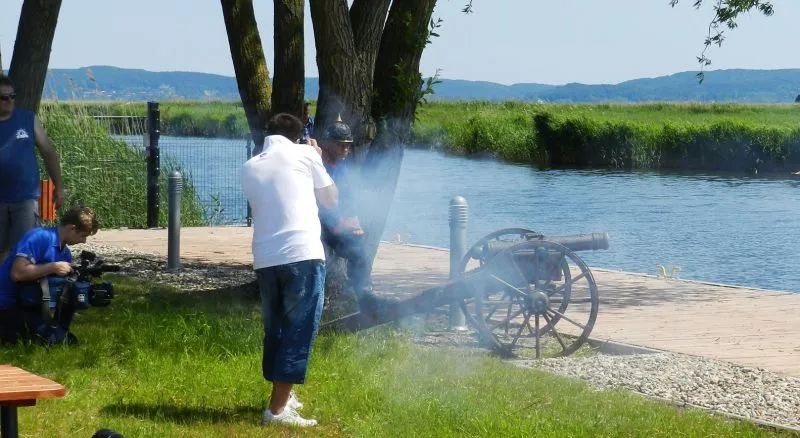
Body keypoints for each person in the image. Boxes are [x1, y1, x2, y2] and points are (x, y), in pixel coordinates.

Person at [241, 113, 338, 427]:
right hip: (302, 253)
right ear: (298, 136)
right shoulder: (305, 154)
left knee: (277, 329)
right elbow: (331, 200)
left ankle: (284, 396)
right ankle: (277, 412)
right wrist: (317, 157)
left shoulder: (249, 166)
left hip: (265, 257)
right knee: (299, 329)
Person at [318, 117, 395, 314]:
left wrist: (353, 220)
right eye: (340, 145)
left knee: (358, 250)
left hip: (334, 223)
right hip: (316, 223)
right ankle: (323, 300)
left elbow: (348, 197)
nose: (345, 149)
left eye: (348, 145)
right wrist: (336, 222)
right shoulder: (317, 165)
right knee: (322, 259)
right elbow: (317, 200)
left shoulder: (342, 166)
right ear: (327, 144)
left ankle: (362, 296)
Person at [0, 206, 98, 345]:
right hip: (7, 304)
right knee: (31, 340)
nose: (84, 241)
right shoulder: (40, 237)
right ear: (72, 228)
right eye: (83, 235)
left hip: (31, 305)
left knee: (59, 340)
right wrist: (53, 267)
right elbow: (17, 273)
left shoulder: (65, 254)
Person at [0, 76, 66, 263]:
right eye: (4, 98)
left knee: (24, 250)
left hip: (25, 199)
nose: (9, 101)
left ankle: (21, 281)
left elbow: (49, 153)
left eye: (12, 96)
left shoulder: (28, 119)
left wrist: (59, 187)